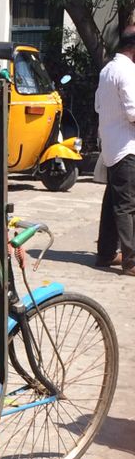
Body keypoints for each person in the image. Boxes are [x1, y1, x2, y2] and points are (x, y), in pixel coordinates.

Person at [94, 26, 135, 275]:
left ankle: (106, 253)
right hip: (127, 146)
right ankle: (131, 260)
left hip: (111, 145)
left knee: (113, 202)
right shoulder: (127, 71)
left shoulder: (107, 70)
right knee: (127, 206)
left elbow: (99, 105)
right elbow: (133, 112)